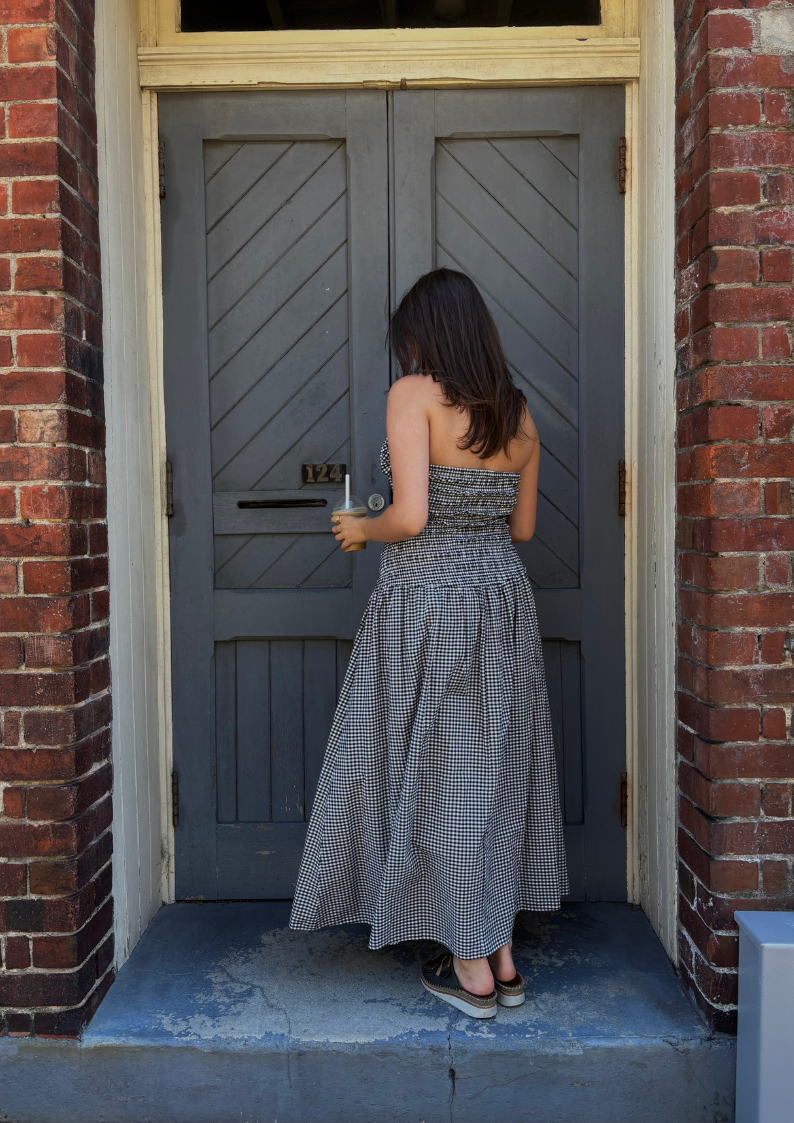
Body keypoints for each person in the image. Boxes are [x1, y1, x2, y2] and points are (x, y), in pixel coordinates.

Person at [289, 268, 568, 1019]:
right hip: (503, 599)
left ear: (426, 333)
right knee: (492, 773)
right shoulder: (520, 416)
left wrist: (360, 527)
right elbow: (524, 530)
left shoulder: (413, 395)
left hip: (430, 601)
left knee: (445, 773)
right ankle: (501, 951)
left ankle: (472, 968)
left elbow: (410, 517)